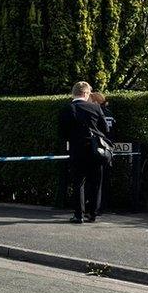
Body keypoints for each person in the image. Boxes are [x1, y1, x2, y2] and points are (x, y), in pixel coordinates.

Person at [57, 82, 110, 223]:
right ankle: (92, 214)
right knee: (95, 182)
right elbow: (105, 128)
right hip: (96, 150)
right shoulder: (96, 107)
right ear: (86, 93)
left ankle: (78, 215)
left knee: (78, 183)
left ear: (73, 93)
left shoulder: (67, 109)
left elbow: (62, 133)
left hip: (77, 150)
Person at [88, 91, 114, 214]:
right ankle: (103, 206)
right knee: (105, 179)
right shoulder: (110, 113)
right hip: (108, 149)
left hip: (97, 148)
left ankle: (95, 208)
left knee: (95, 180)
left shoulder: (96, 112)